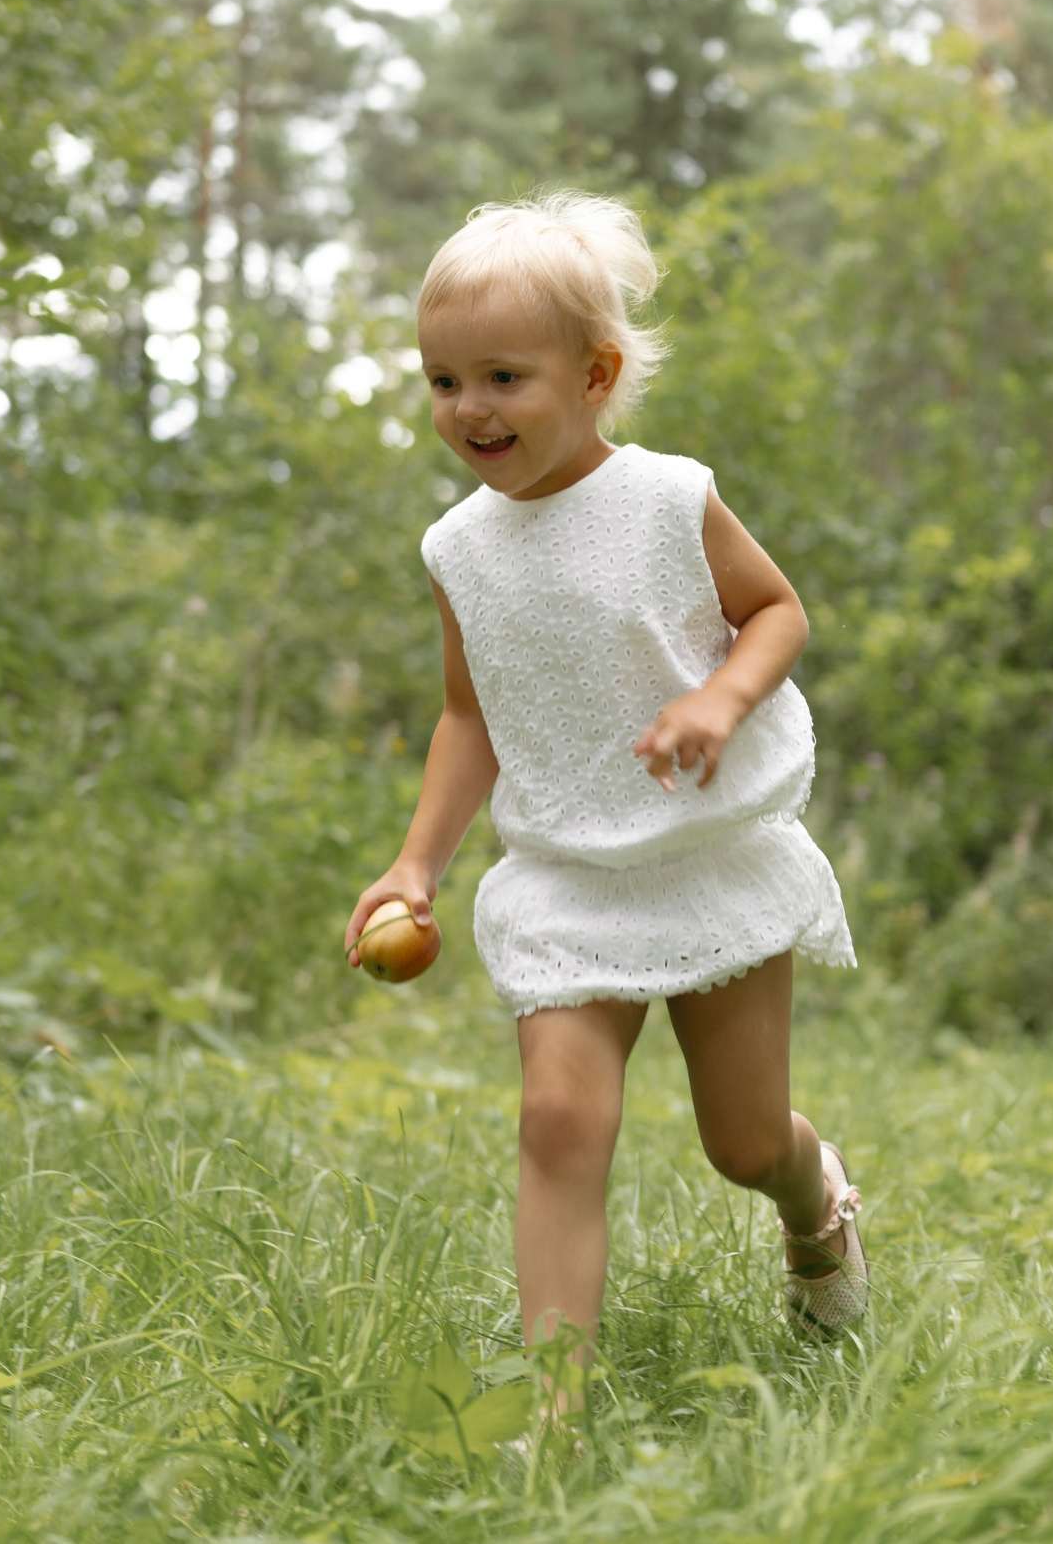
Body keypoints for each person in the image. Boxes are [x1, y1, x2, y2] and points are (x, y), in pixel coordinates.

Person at [344, 192, 866, 1387]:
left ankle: (814, 1202)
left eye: (502, 376)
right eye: (441, 380)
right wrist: (415, 862)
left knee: (741, 1142)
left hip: (701, 854)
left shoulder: (666, 499)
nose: (468, 408)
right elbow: (471, 714)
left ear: (594, 372)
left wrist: (717, 701)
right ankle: (551, 1409)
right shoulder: (458, 549)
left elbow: (776, 611)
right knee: (559, 1123)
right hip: (566, 873)